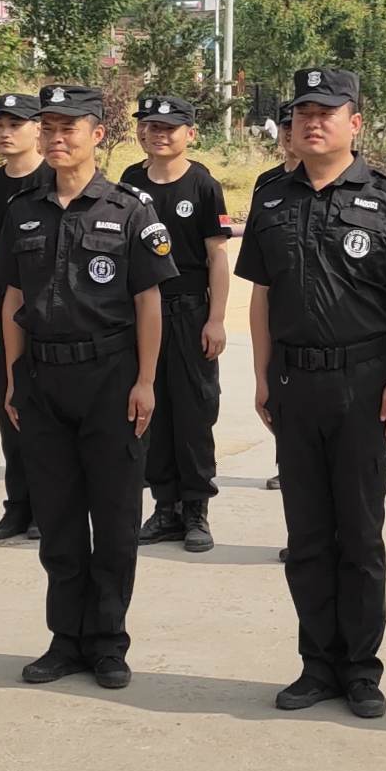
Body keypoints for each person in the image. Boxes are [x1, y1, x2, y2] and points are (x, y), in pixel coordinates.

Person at [236, 64, 386, 720]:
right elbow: (262, 294)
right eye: (303, 112)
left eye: (327, 112)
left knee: (360, 533)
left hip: (363, 381)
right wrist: (261, 374)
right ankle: (317, 663)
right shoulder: (271, 197)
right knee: (308, 532)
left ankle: (362, 669)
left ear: (355, 122)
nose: (312, 122)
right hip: (294, 379)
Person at [0, 82, 172, 688]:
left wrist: (146, 381)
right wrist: (14, 378)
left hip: (110, 379)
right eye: (48, 127)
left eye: (68, 127)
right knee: (59, 519)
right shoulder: (23, 209)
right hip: (43, 378)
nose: (56, 137)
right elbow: (12, 298)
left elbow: (149, 302)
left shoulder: (130, 209)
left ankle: (108, 642)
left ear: (98, 134)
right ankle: (65, 639)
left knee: (115, 519)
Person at [121, 91, 234, 553]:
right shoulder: (130, 182)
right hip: (141, 314)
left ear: (190, 134)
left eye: (169, 128)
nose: (159, 135)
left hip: (189, 311)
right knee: (151, 410)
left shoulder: (203, 185)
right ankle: (164, 507)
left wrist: (216, 319)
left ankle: (196, 510)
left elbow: (217, 256)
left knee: (194, 412)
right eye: (151, 126)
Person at [0, 90, 49, 543]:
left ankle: (47, 505)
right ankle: (18, 505)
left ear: (38, 128)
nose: (5, 133)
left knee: (46, 409)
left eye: (15, 125)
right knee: (10, 404)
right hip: (3, 311)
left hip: (49, 310)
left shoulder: (53, 177)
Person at [253, 102, 297, 490]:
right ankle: (288, 463)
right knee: (281, 397)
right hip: (279, 302)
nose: (289, 133)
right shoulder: (267, 184)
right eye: (285, 126)